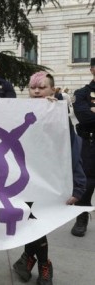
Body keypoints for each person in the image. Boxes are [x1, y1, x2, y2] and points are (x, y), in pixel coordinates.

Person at [12, 71, 86, 285]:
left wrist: (78, 187)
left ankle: (30, 260)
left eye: (42, 87)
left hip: (51, 184)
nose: (36, 91)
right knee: (33, 223)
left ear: (53, 90)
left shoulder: (60, 116)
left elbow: (73, 152)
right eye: (33, 87)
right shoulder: (19, 113)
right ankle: (42, 264)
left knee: (37, 224)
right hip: (26, 183)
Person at [71, 58, 95, 237]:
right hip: (90, 143)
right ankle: (81, 217)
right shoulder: (82, 93)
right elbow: (84, 117)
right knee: (87, 182)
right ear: (92, 70)